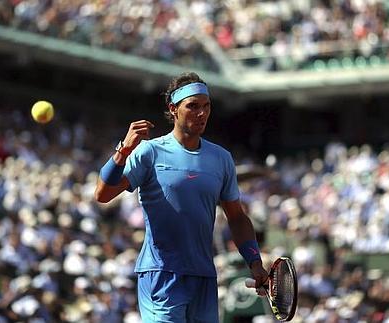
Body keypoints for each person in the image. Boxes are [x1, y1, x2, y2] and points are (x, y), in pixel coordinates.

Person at [94, 72, 268, 322]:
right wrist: (123, 152)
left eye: (206, 106)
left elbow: (237, 217)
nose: (202, 113)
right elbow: (103, 193)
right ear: (173, 109)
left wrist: (255, 262)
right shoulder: (149, 152)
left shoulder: (221, 158)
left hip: (204, 277)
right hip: (160, 275)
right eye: (193, 106)